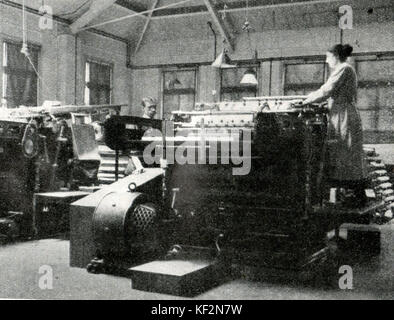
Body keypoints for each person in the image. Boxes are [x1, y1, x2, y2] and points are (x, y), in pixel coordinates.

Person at [301, 44, 367, 204]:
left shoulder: (344, 68)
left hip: (344, 116)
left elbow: (326, 90)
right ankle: (349, 195)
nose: (326, 60)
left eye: (328, 57)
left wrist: (305, 100)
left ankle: (357, 196)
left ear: (335, 56)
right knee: (343, 155)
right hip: (339, 114)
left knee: (347, 155)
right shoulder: (345, 69)